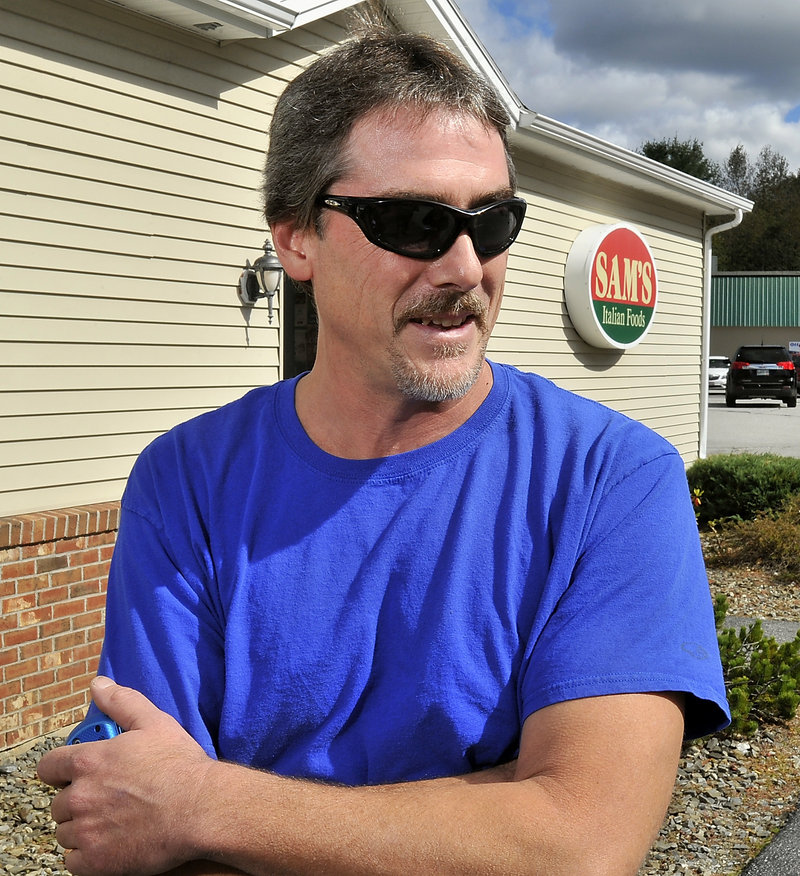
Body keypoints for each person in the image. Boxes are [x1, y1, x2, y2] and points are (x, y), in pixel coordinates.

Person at [38, 25, 730, 876]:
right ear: (296, 239)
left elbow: (581, 841)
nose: (466, 267)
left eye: (493, 221)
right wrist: (493, 814)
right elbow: (138, 822)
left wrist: (207, 805)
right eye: (414, 222)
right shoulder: (188, 479)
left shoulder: (610, 478)